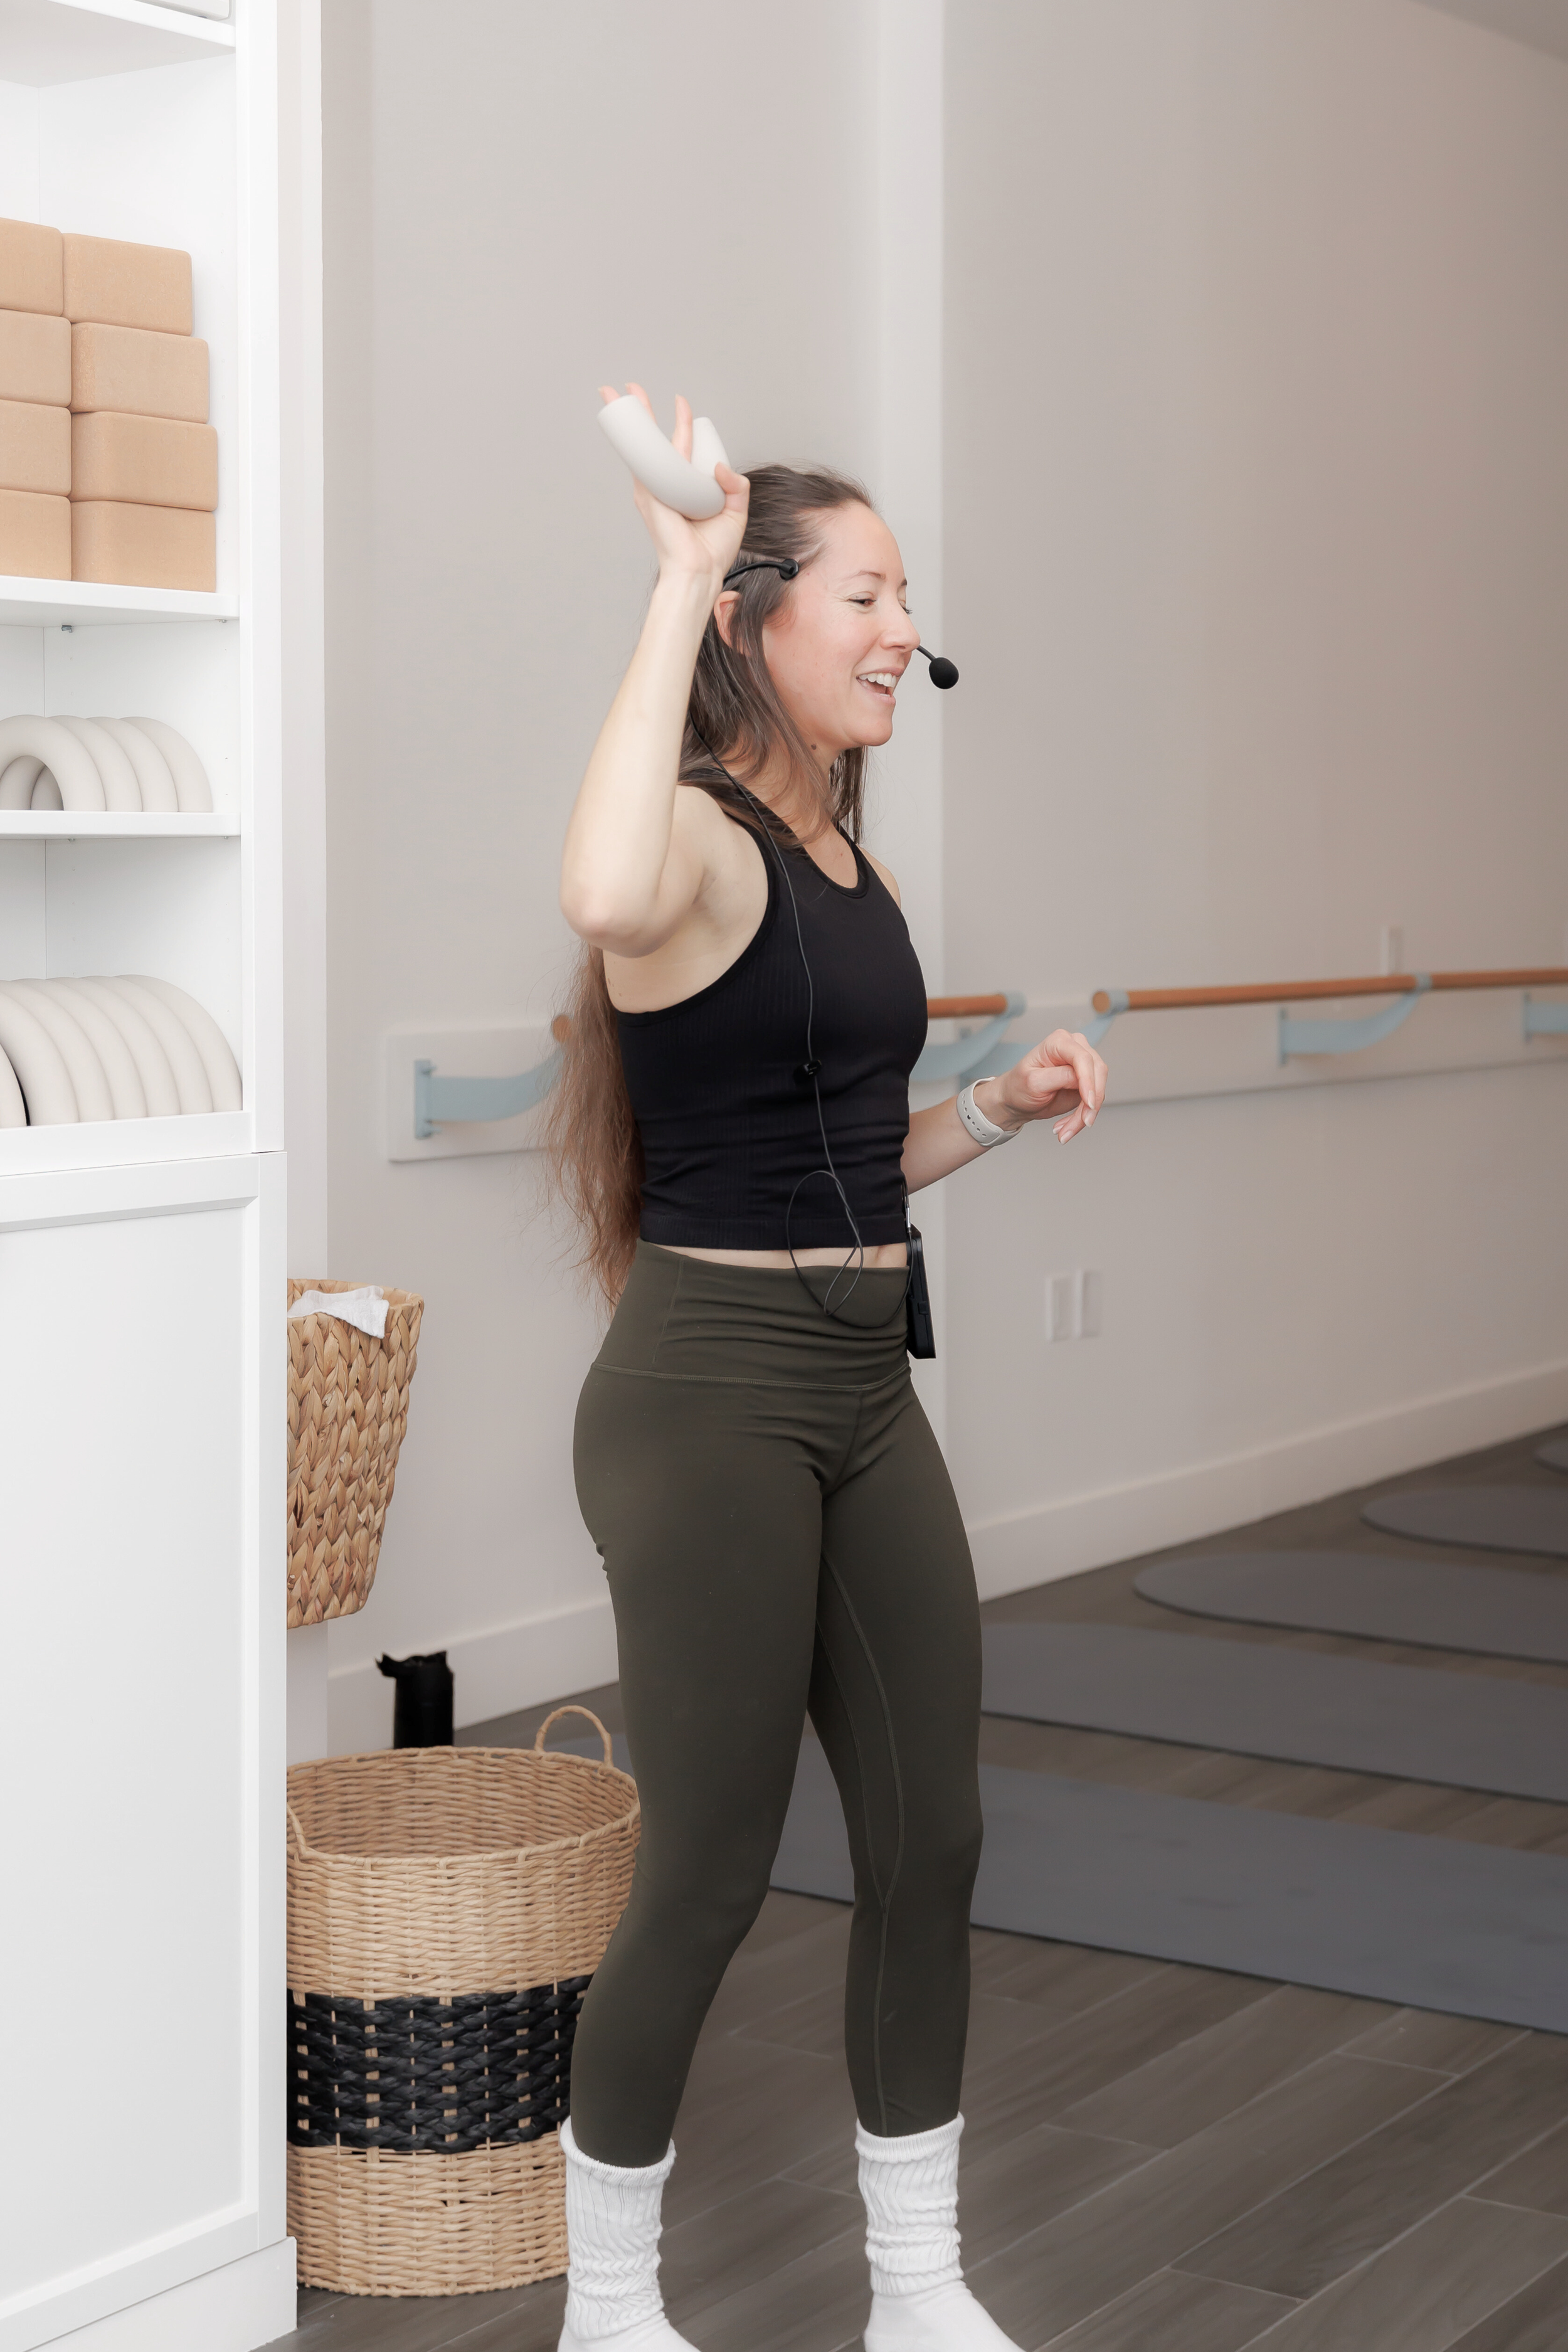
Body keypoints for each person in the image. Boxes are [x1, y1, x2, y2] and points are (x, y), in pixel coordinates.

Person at [546, 385, 1108, 2352]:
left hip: (864, 1380)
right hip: (707, 1394)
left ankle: (915, 2286)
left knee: (931, 1832)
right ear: (759, 621)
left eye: (905, 598)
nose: (897, 631)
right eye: (862, 593)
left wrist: (1002, 1102)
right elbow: (598, 894)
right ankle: (607, 2306)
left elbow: (855, 1163)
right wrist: (676, 575)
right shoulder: (693, 845)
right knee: (704, 1863)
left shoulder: (842, 868)